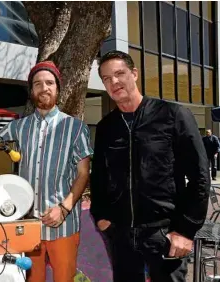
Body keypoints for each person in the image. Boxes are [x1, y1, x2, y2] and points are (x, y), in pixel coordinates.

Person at [0, 61, 93, 282]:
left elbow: (83, 174)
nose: (43, 88)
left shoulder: (75, 128)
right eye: (37, 84)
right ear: (31, 91)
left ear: (57, 88)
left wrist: (64, 209)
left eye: (49, 83)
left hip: (63, 224)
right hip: (26, 225)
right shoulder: (16, 128)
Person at [90, 50, 210, 281]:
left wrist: (185, 230)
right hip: (121, 235)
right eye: (106, 78)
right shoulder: (106, 126)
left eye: (119, 73)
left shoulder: (173, 115)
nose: (114, 82)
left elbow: (199, 176)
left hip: (164, 234)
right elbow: (100, 177)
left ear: (134, 74)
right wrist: (101, 217)